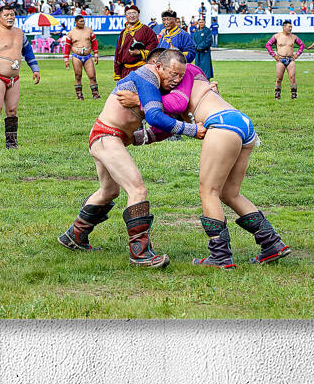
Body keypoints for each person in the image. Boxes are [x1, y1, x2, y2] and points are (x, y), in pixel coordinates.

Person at [118, 61, 290, 268]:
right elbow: (170, 125)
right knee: (230, 194)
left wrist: (140, 100)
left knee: (208, 192)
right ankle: (271, 243)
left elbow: (176, 106)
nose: (172, 78)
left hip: (221, 123)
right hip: (240, 122)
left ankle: (220, 256)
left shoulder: (184, 73)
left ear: (159, 65)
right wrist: (138, 138)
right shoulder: (187, 79)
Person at [58, 49, 205, 268]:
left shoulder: (152, 79)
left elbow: (157, 119)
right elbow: (155, 116)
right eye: (173, 74)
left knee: (109, 192)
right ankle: (140, 254)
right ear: (158, 66)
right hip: (107, 136)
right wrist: (192, 129)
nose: (176, 80)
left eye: (180, 77)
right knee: (137, 190)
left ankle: (74, 236)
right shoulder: (147, 76)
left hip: (105, 136)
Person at [0, 5, 40, 149]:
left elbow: (28, 52)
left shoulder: (20, 33)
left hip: (14, 78)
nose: (10, 17)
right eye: (6, 15)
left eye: (12, 15)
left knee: (12, 110)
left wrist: (35, 69)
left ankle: (11, 143)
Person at [114, 4, 158, 80]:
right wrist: (118, 74)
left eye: (134, 13)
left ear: (138, 14)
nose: (131, 15)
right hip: (126, 71)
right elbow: (118, 55)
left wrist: (140, 53)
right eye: (129, 13)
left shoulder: (147, 30)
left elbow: (154, 46)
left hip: (142, 69)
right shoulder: (123, 33)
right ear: (125, 16)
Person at [63, 14, 100, 100]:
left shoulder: (89, 30)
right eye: (81, 21)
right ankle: (79, 96)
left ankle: (95, 94)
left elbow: (94, 43)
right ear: (76, 22)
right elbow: (67, 47)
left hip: (88, 56)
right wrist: (66, 59)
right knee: (78, 75)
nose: (83, 23)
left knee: (92, 76)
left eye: (83, 21)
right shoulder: (71, 33)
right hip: (76, 56)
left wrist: (96, 54)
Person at [266, 20, 305, 99]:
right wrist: (274, 56)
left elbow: (302, 45)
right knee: (279, 78)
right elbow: (268, 45)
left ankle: (294, 95)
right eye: (289, 27)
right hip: (280, 59)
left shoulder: (293, 37)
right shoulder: (277, 36)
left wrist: (297, 54)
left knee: (292, 77)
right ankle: (277, 95)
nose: (290, 28)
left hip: (290, 59)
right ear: (284, 27)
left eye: (291, 27)